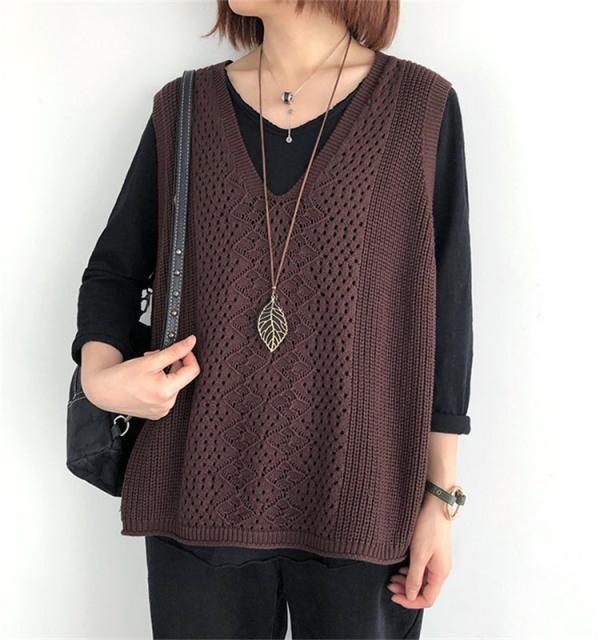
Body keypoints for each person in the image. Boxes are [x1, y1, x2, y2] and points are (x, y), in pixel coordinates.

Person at [71, 0, 473, 637]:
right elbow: (114, 273)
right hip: (199, 494)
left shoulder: (420, 109)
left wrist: (440, 499)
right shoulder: (185, 109)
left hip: (362, 500)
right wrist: (100, 379)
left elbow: (445, 313)